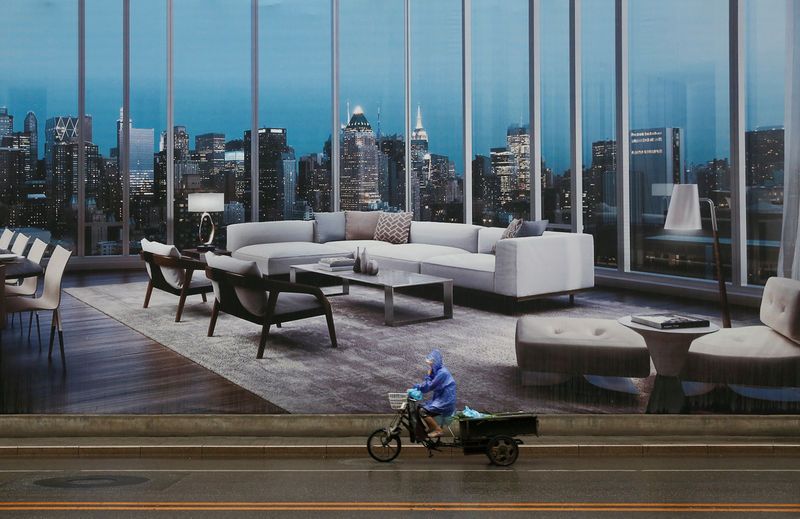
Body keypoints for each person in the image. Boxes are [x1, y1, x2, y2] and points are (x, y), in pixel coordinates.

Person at [409, 349, 456, 438]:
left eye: (431, 362)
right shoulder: (438, 371)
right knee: (419, 407)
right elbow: (428, 384)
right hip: (441, 400)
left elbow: (429, 386)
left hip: (445, 402)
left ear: (436, 362)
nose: (430, 364)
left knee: (423, 411)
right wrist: (415, 387)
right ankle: (430, 428)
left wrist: (428, 376)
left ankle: (437, 429)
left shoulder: (442, 373)